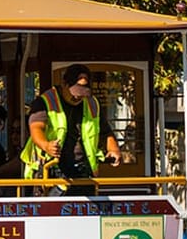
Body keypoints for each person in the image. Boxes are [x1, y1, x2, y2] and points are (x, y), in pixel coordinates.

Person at [21, 64, 120, 194]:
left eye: (82, 93)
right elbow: (36, 128)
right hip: (52, 170)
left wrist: (113, 149)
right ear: (64, 84)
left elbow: (105, 131)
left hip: (84, 171)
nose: (78, 97)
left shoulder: (92, 104)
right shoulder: (46, 101)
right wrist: (46, 145)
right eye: (75, 92)